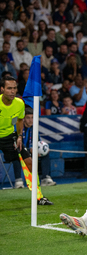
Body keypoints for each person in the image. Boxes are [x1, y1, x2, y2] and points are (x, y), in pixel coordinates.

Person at [0, 76, 53, 205]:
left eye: (14, 88)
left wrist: (19, 136)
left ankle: (39, 197)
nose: (12, 91)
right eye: (9, 88)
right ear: (2, 89)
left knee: (29, 161)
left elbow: (19, 120)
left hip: (9, 136)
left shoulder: (19, 103)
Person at [23, 107, 56, 186]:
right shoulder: (19, 128)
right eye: (28, 118)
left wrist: (44, 149)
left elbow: (39, 143)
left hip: (31, 152)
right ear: (23, 119)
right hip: (20, 152)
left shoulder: (34, 129)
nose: (31, 120)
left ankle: (45, 178)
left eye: (32, 118)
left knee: (45, 153)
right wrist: (29, 150)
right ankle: (19, 181)